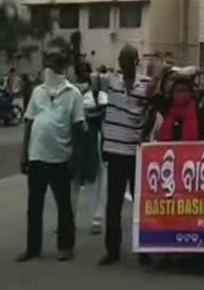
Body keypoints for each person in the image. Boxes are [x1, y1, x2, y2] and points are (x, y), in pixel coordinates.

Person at [17, 48, 85, 262]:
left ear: (61, 67)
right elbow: (29, 122)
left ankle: (66, 246)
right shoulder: (38, 92)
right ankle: (32, 248)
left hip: (60, 157)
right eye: (47, 63)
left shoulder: (72, 93)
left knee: (63, 205)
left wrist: (75, 157)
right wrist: (24, 153)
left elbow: (78, 127)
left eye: (54, 63)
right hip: (37, 156)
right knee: (34, 206)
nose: (49, 68)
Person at [99, 44, 151, 265]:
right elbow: (83, 74)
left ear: (136, 60)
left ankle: (144, 249)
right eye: (122, 58)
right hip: (115, 152)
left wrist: (145, 133)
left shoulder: (146, 84)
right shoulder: (110, 81)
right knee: (113, 204)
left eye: (129, 59)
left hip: (135, 152)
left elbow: (153, 109)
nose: (124, 62)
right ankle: (112, 251)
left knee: (140, 203)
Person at [72, 61, 108, 235]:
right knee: (74, 178)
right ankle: (69, 217)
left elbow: (104, 111)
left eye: (84, 70)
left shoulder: (96, 92)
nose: (81, 73)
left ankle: (97, 217)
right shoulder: (71, 91)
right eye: (78, 70)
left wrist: (88, 115)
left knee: (98, 176)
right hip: (76, 140)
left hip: (94, 138)